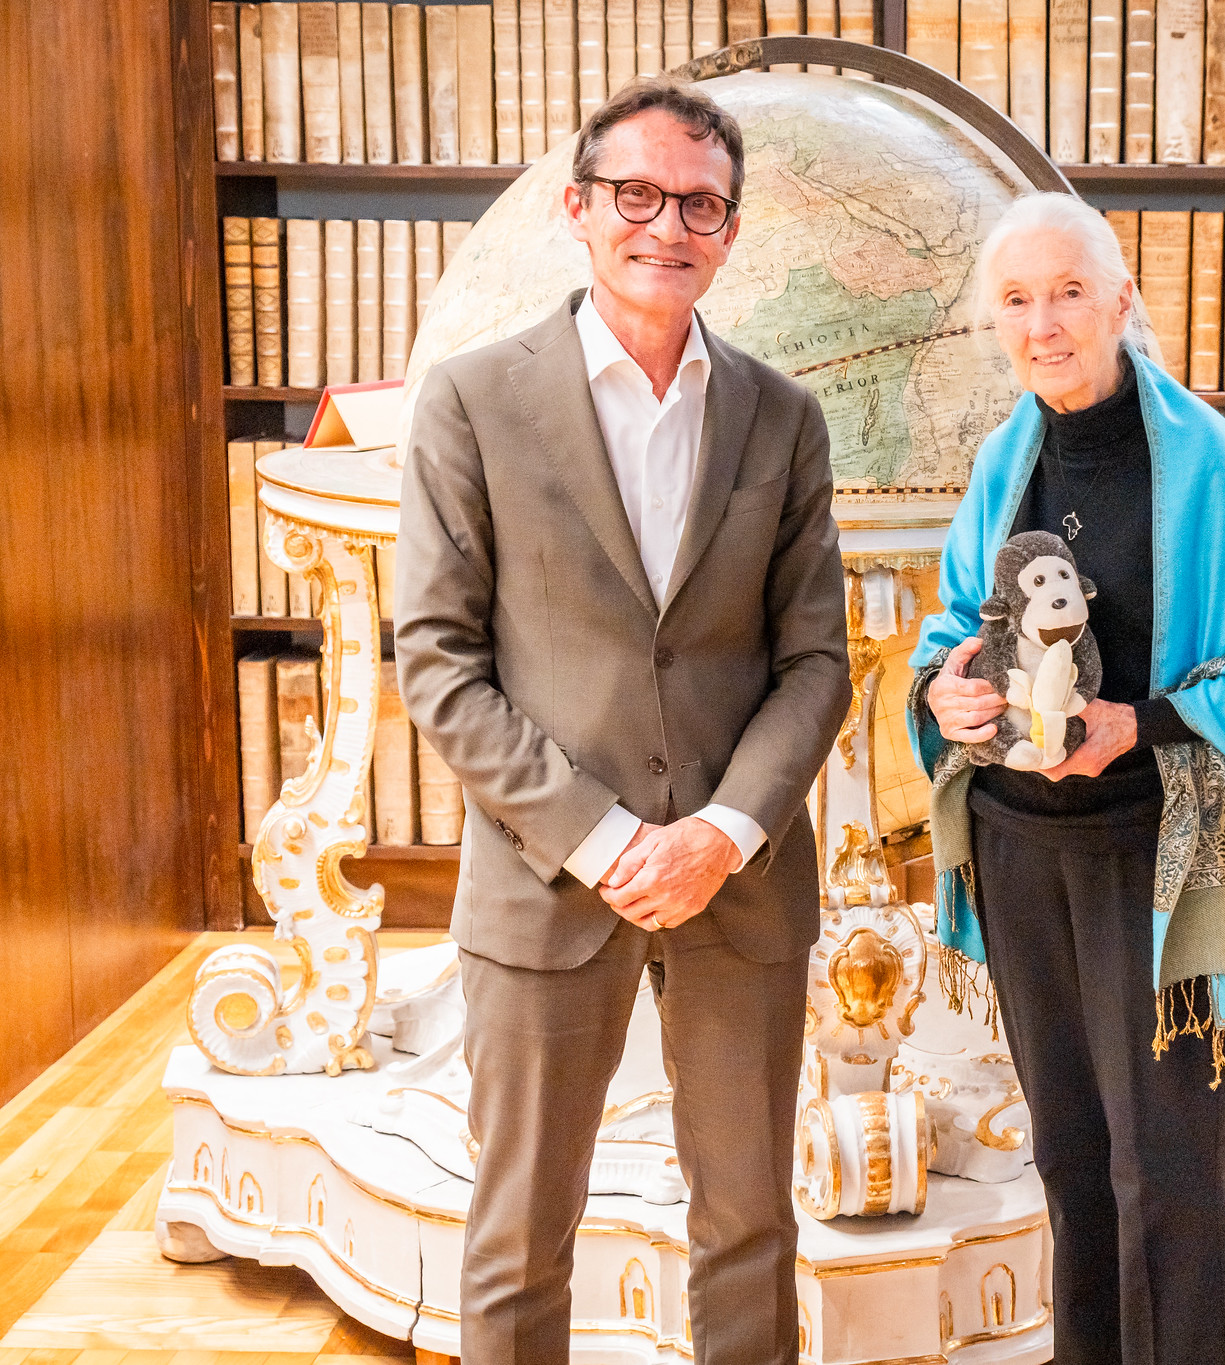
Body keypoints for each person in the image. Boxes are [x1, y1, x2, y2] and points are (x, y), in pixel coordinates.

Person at [396, 78, 851, 1365]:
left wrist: (717, 832)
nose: (669, 226)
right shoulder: (474, 402)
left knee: (751, 1224)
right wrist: (603, 841)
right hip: (544, 883)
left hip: (737, 884)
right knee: (518, 1235)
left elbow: (814, 662)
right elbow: (438, 662)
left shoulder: (783, 415)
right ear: (579, 209)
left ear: (730, 230)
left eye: (699, 204)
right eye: (639, 196)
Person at [908, 192, 1225, 1365]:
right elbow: (950, 626)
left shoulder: (1204, 461)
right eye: (1014, 299)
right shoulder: (1005, 458)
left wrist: (1136, 723)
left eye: (1066, 293)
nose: (1042, 323)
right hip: (1017, 847)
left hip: (1160, 853)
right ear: (992, 322)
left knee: (1168, 1169)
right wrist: (941, 694)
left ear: (1120, 302)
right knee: (1068, 1157)